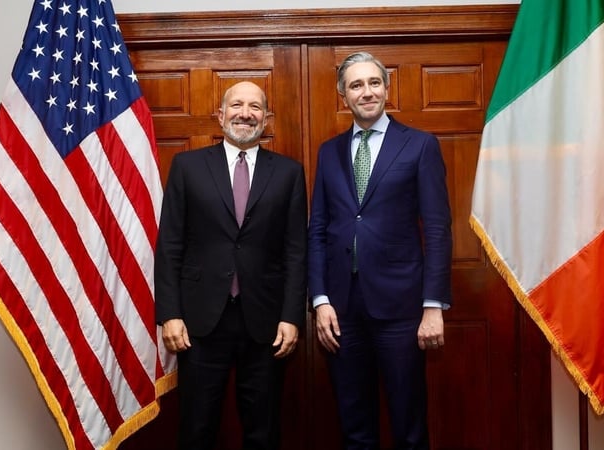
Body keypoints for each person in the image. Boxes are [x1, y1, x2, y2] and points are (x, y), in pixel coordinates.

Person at [308, 51, 453, 450]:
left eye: (374, 83)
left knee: (409, 426)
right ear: (343, 96)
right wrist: (320, 300)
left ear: (387, 89)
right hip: (341, 313)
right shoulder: (329, 152)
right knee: (355, 428)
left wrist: (433, 306)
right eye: (356, 85)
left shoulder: (420, 146)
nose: (366, 92)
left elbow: (438, 229)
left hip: (402, 312)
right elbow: (318, 228)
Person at [155, 81, 307, 450]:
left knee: (263, 429)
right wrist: (170, 314)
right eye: (236, 105)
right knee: (197, 427)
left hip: (266, 322)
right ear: (220, 115)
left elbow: (296, 250)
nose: (245, 113)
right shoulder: (188, 166)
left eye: (255, 107)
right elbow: (170, 244)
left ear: (266, 118)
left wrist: (291, 317)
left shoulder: (288, 173)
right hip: (200, 322)